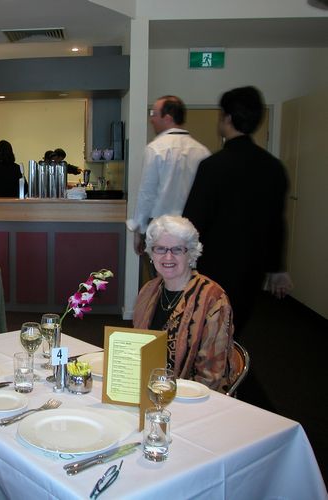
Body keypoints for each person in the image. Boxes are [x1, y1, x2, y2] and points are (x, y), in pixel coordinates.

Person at [183, 86, 291, 333]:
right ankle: (233, 364)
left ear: (227, 117)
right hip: (254, 267)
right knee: (236, 324)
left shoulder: (213, 166)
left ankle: (216, 368)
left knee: (209, 326)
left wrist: (182, 260)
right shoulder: (273, 167)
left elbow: (193, 221)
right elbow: (277, 223)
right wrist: (278, 268)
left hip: (215, 265)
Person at [133, 215, 236, 393]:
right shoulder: (148, 291)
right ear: (151, 253)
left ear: (191, 254)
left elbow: (211, 375)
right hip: (149, 388)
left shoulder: (212, 298)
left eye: (177, 249)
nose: (168, 256)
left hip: (192, 397)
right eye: (160, 249)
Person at [127, 95, 211, 256]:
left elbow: (147, 193)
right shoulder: (202, 151)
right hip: (191, 229)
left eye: (154, 114)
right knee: (189, 276)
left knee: (162, 275)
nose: (151, 119)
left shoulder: (155, 149)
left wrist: (138, 230)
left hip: (161, 228)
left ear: (168, 118)